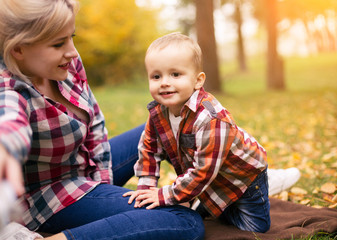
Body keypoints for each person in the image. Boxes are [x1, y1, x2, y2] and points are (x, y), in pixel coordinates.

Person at [0, 1, 205, 240]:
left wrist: (103, 187)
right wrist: (5, 147)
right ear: (19, 49)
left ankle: (233, 194)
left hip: (84, 168)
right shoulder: (9, 89)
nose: (72, 51)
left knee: (167, 127)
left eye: (71, 37)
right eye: (58, 44)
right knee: (184, 221)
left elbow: (95, 121)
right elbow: (9, 122)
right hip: (48, 197)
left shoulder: (67, 64)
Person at [124, 32, 271, 233]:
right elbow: (149, 149)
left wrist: (165, 195)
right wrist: (146, 189)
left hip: (243, 176)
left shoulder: (212, 119)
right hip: (209, 178)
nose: (165, 82)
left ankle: (261, 188)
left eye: (175, 74)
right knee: (209, 210)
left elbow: (203, 172)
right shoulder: (158, 113)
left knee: (255, 229)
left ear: (198, 80)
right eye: (156, 76)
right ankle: (213, 202)